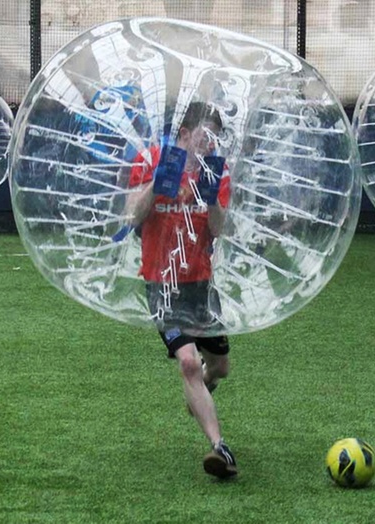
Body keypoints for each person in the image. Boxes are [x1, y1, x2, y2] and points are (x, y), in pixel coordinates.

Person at [124, 101, 236, 478]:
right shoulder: (151, 160)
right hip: (162, 283)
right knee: (188, 362)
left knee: (218, 366)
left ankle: (203, 389)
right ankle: (219, 448)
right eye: (205, 138)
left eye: (215, 141)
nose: (209, 146)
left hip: (201, 285)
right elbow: (132, 216)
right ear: (185, 135)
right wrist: (159, 184)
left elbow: (219, 230)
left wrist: (209, 199)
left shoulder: (215, 174)